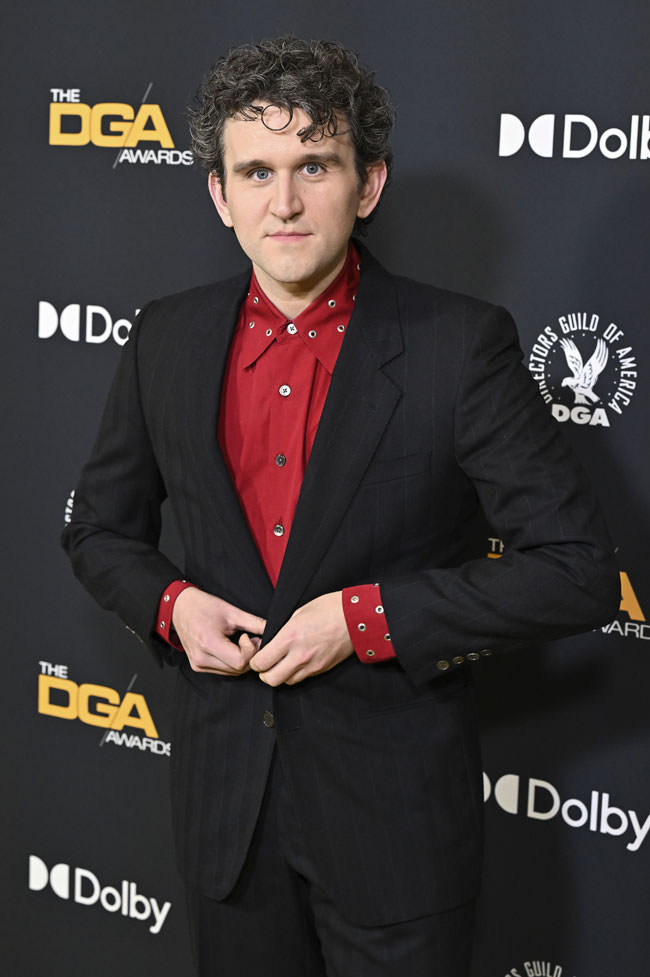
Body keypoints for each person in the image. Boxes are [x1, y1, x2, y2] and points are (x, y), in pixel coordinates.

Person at [62, 35, 619, 977]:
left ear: (368, 186)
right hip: (226, 825)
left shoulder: (460, 346)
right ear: (219, 194)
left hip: (394, 832)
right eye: (257, 171)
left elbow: (577, 572)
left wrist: (364, 620)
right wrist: (171, 605)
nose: (283, 201)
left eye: (314, 165)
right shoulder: (164, 336)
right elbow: (98, 529)